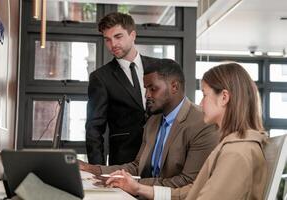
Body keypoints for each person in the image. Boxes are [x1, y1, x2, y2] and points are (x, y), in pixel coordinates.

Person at [106, 62, 267, 200]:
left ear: (224, 97)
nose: (201, 103)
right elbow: (193, 191)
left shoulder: (236, 153)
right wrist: (139, 189)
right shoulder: (234, 146)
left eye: (204, 95)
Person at [80, 58, 219, 188]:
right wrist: (93, 169)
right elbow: (137, 166)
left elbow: (187, 182)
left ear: (174, 87)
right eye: (146, 89)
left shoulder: (203, 123)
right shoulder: (153, 120)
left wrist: (135, 185)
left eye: (153, 89)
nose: (147, 95)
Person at [86, 12, 160, 165]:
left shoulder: (158, 67)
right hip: (123, 161)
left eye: (118, 37)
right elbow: (94, 129)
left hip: (160, 156)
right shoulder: (100, 77)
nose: (113, 44)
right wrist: (98, 170)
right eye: (107, 39)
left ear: (133, 35)